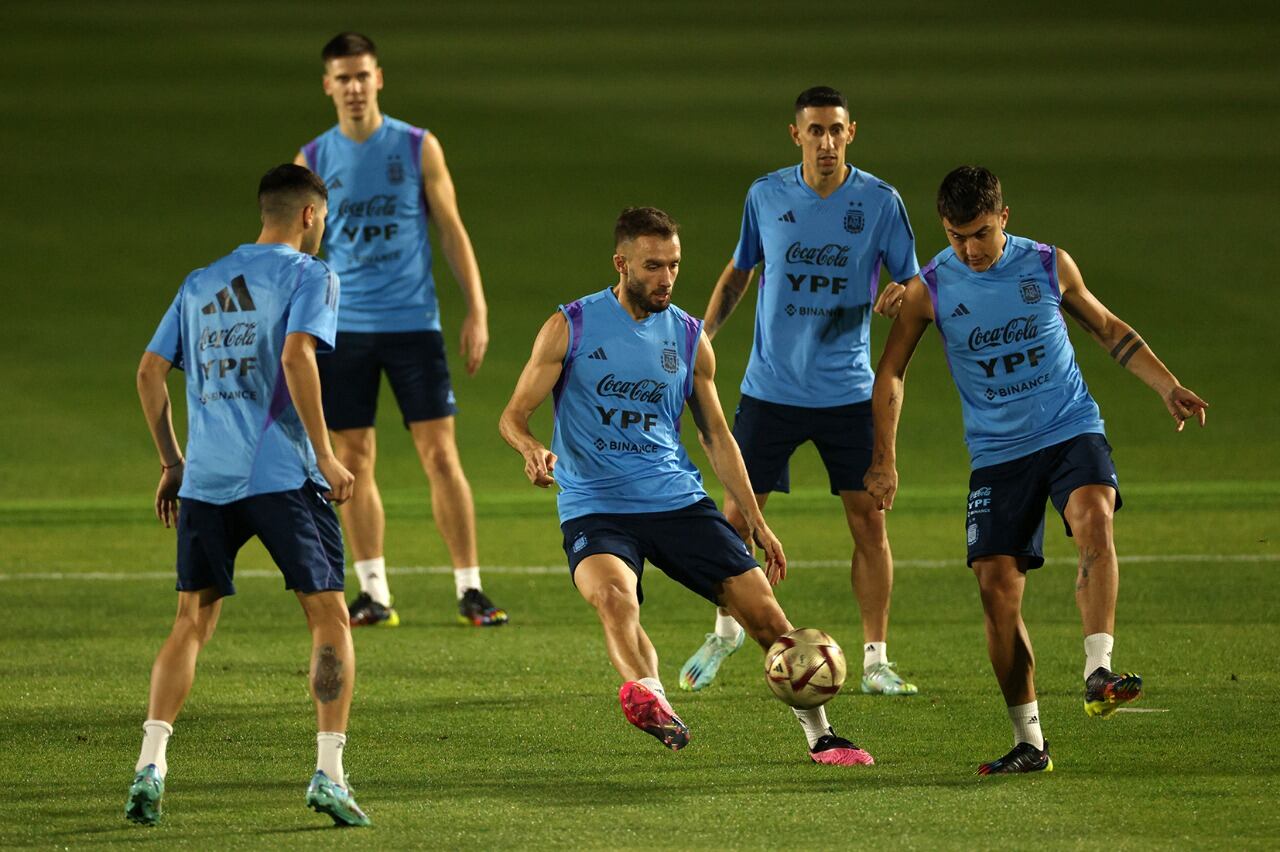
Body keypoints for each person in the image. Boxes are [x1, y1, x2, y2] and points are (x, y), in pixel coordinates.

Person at [499, 206, 875, 765]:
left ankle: (822, 735)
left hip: (676, 501)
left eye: (674, 265)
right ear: (621, 263)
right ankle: (651, 697)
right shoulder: (571, 326)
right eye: (653, 266)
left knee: (768, 617)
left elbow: (718, 437)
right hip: (595, 504)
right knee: (612, 597)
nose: (667, 278)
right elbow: (513, 415)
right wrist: (531, 449)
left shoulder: (690, 338)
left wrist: (757, 521)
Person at [865, 165, 1208, 774]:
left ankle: (1098, 670)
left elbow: (1107, 329)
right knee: (996, 591)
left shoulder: (1048, 264)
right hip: (998, 456)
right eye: (954, 235)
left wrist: (1166, 385)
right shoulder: (931, 288)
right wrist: (886, 460)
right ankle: (1030, 743)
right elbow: (890, 371)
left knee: (1093, 518)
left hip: (1070, 428)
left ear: (1005, 218)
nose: (968, 249)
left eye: (979, 233)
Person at [128, 164, 370, 826]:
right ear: (311, 217)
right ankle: (329, 773)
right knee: (328, 615)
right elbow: (297, 357)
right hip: (282, 475)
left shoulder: (200, 281)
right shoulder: (309, 275)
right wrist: (324, 453)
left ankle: (151, 763)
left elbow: (150, 372)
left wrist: (171, 462)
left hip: (207, 478)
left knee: (191, 622)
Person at [678, 86, 920, 697]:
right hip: (772, 389)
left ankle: (875, 661)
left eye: (836, 130)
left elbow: (915, 285)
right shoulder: (766, 195)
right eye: (815, 131)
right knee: (733, 519)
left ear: (851, 133)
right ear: (797, 136)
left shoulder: (881, 202)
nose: (827, 142)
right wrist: (701, 334)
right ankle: (726, 632)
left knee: (869, 525)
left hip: (847, 393)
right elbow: (741, 270)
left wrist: (902, 294)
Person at [294, 31, 506, 628]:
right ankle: (374, 593)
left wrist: (477, 309)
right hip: (346, 330)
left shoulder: (416, 147)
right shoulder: (313, 159)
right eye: (344, 78)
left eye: (364, 76)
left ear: (378, 78)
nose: (355, 87)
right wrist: (297, 326)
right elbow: (302, 251)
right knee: (351, 458)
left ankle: (471, 587)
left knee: (440, 454)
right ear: (329, 86)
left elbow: (451, 229)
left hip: (414, 324)